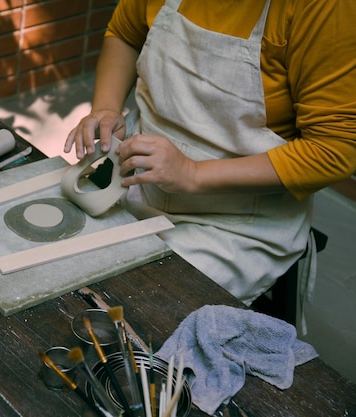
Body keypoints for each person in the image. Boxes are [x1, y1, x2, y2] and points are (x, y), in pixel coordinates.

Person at [65, 0, 356, 305]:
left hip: (235, 223)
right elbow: (125, 34)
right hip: (133, 186)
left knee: (130, 306)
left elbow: (332, 150)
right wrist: (107, 108)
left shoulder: (326, 7)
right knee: (65, 275)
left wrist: (192, 173)